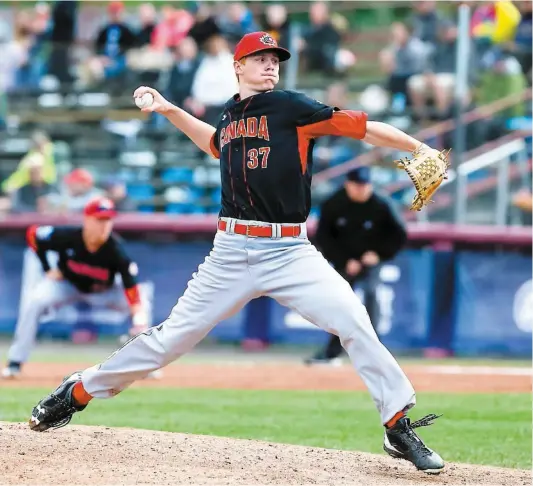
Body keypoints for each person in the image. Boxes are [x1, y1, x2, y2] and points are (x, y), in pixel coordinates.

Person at [29, 31, 445, 475]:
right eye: (260, 58)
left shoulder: (291, 108)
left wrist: (417, 147)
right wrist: (169, 109)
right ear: (238, 65)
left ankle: (397, 424)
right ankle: (79, 391)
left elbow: (362, 127)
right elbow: (214, 143)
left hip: (289, 250)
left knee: (355, 321)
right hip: (229, 252)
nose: (270, 65)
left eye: (275, 59)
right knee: (171, 340)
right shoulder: (230, 116)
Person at [2, 197, 152, 379]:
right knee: (35, 301)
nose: (104, 225)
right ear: (87, 220)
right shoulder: (68, 237)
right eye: (99, 220)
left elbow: (132, 291)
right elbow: (34, 234)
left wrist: (138, 320)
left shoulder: (116, 251)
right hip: (67, 285)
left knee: (143, 303)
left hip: (104, 292)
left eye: (108, 220)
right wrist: (47, 269)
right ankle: (15, 362)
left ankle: (147, 364)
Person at [305, 166, 407, 365]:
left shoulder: (382, 204)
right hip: (345, 261)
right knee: (340, 303)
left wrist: (378, 254)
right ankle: (332, 351)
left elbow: (399, 234)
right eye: (357, 185)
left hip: (371, 260)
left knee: (371, 296)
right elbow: (324, 237)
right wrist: (344, 260)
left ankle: (375, 353)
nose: (361, 189)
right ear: (348, 185)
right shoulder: (334, 204)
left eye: (365, 185)